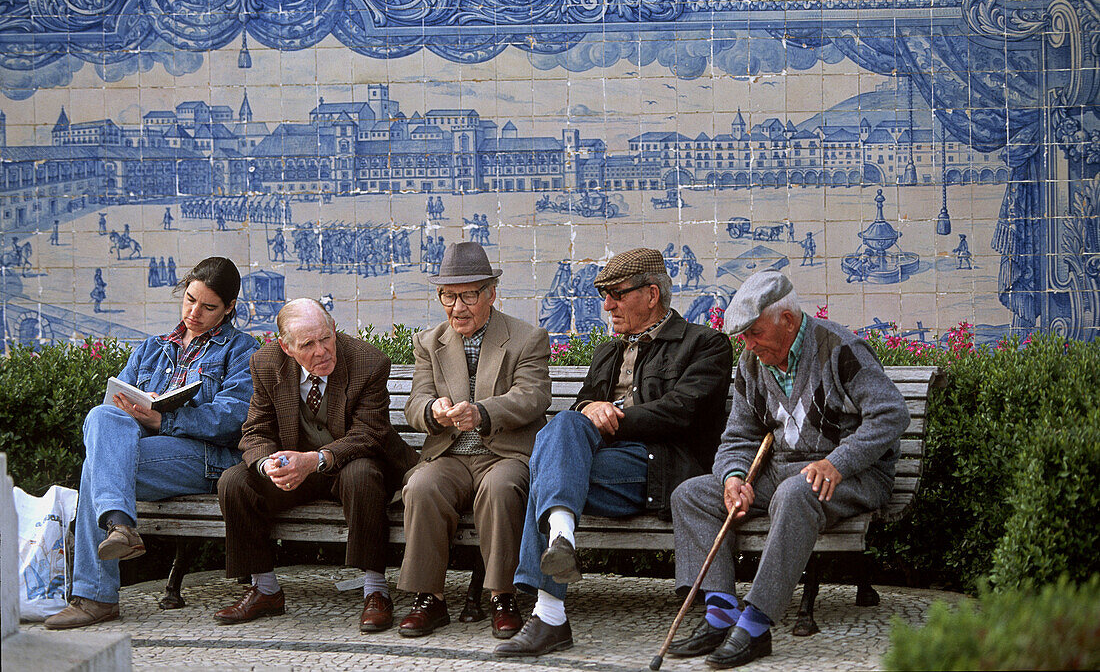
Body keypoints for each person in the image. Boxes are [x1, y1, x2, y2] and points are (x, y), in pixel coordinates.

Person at [494, 247, 734, 657]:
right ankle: (562, 537)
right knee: (564, 433)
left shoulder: (705, 344)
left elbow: (682, 412)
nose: (607, 305)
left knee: (545, 469)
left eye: (617, 294)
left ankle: (550, 613)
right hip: (604, 469)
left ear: (652, 294)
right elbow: (579, 415)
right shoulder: (609, 350)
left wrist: (613, 412)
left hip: (660, 469)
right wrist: (590, 408)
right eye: (604, 295)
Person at [667, 270, 910, 668]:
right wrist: (732, 478)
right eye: (743, 336)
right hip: (784, 471)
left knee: (796, 492)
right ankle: (721, 614)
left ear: (788, 319)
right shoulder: (752, 362)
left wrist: (838, 461)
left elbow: (891, 414)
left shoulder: (840, 348)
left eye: (755, 333)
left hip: (854, 474)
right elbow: (740, 435)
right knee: (692, 494)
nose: (748, 344)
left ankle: (756, 626)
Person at [44, 257, 258, 630]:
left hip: (205, 460)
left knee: (96, 468)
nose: (195, 312)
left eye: (209, 307)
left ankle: (96, 596)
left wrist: (166, 418)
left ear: (229, 309)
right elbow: (115, 408)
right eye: (190, 300)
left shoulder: (241, 350)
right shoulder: (151, 348)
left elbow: (234, 417)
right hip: (148, 454)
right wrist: (136, 410)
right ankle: (121, 528)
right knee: (100, 416)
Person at [214, 299, 417, 630]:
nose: (322, 351)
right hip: (298, 470)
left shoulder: (368, 361)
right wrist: (269, 465)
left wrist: (316, 460)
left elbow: (369, 435)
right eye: (308, 344)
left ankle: (376, 591)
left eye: (326, 338)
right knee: (235, 481)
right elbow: (255, 430)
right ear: (287, 346)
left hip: (354, 463)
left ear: (333, 328)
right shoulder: (266, 363)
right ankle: (265, 589)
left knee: (362, 473)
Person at [398, 242, 551, 640]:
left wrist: (482, 413)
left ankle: (502, 596)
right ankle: (429, 598)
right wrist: (433, 411)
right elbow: (414, 402)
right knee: (421, 485)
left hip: (503, 454)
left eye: (468, 295)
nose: (457, 307)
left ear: (490, 293)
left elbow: (533, 397)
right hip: (449, 454)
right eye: (448, 296)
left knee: (502, 489)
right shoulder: (428, 342)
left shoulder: (526, 337)